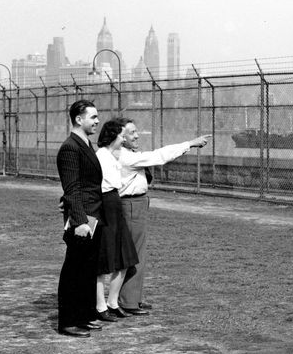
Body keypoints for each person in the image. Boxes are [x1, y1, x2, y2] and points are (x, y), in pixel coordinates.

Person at [116, 119, 209, 314]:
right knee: (134, 254)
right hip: (131, 205)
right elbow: (159, 156)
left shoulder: (125, 154)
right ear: (121, 138)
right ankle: (129, 302)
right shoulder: (125, 157)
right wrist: (189, 144)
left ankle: (132, 298)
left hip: (137, 204)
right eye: (132, 132)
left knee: (137, 253)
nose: (137, 135)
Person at [56, 99, 104, 337]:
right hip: (83, 220)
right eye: (93, 117)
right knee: (74, 271)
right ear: (78, 119)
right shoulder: (70, 147)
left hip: (93, 216)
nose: (97, 121)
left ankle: (84, 315)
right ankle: (68, 321)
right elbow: (72, 188)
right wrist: (80, 221)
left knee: (87, 269)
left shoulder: (85, 144)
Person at [94, 118, 141, 321]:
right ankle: (100, 306)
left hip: (115, 202)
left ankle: (112, 303)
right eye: (122, 135)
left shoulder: (116, 156)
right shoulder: (101, 156)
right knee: (103, 260)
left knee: (124, 257)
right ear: (113, 136)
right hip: (104, 203)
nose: (124, 139)